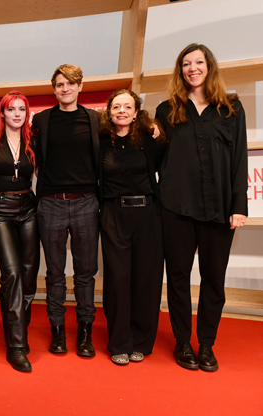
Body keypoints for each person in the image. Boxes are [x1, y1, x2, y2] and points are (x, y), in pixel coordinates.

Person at [155, 43, 248, 372]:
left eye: (198, 62)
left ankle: (206, 343)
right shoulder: (167, 110)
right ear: (180, 70)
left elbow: (239, 160)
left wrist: (239, 206)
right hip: (175, 208)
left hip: (220, 210)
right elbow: (157, 159)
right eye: (185, 63)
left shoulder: (231, 108)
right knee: (178, 278)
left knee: (213, 279)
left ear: (210, 66)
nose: (192, 68)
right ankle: (183, 342)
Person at [32, 64, 100, 358]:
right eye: (60, 84)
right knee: (55, 273)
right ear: (54, 89)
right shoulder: (42, 120)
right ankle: (57, 332)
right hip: (51, 203)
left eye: (70, 84)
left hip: (87, 201)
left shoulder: (95, 119)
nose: (65, 89)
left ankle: (85, 334)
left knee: (86, 272)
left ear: (80, 87)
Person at [98, 89, 166, 365]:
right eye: (117, 107)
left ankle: (141, 340)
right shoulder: (101, 140)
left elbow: (165, 162)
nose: (122, 111)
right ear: (109, 112)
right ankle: (119, 342)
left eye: (128, 106)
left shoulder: (151, 141)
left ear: (137, 112)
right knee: (117, 279)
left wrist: (155, 127)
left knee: (146, 279)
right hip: (114, 213)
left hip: (148, 213)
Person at [0, 91, 39, 372]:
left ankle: (17, 329)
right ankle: (16, 347)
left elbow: (44, 174)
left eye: (21, 109)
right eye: (11, 109)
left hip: (29, 208)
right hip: (0, 212)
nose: (17, 114)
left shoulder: (34, 140)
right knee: (13, 274)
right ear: (2, 113)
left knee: (29, 276)